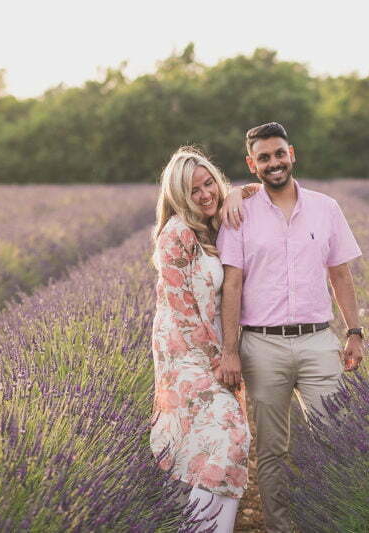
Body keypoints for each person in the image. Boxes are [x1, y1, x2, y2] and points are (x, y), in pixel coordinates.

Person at [216, 122, 364, 532]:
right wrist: (229, 350)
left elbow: (341, 274)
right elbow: (232, 283)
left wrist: (354, 331)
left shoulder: (326, 208)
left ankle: (331, 520)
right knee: (271, 450)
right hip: (263, 346)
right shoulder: (239, 212)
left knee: (336, 439)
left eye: (279, 153)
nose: (274, 162)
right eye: (264, 157)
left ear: (292, 153)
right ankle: (280, 527)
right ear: (252, 164)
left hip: (319, 341)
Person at [150, 146, 257, 532]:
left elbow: (255, 192)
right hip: (187, 357)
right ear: (180, 197)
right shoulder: (176, 234)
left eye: (209, 183)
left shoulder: (215, 225)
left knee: (223, 448)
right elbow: (184, 313)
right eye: (194, 190)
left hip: (212, 352)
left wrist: (233, 193)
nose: (205, 194)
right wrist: (223, 357)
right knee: (227, 438)